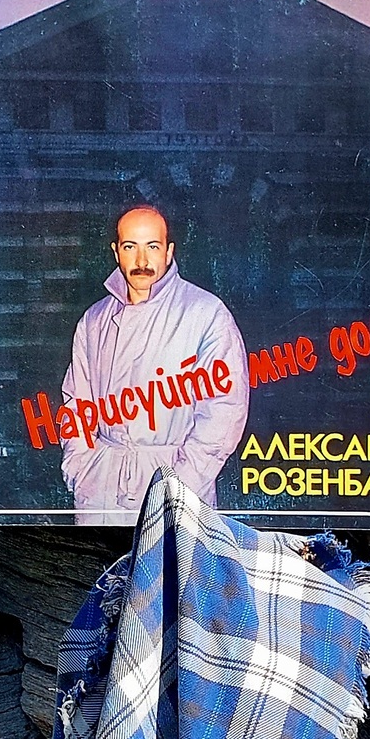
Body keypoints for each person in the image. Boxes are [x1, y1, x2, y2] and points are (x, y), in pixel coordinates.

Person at [60, 205, 248, 517]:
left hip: (176, 491)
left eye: (153, 246)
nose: (142, 261)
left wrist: (182, 485)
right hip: (101, 491)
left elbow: (224, 414)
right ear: (116, 252)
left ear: (169, 251)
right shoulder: (94, 321)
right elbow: (77, 407)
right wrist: (81, 471)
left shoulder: (206, 313)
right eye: (130, 247)